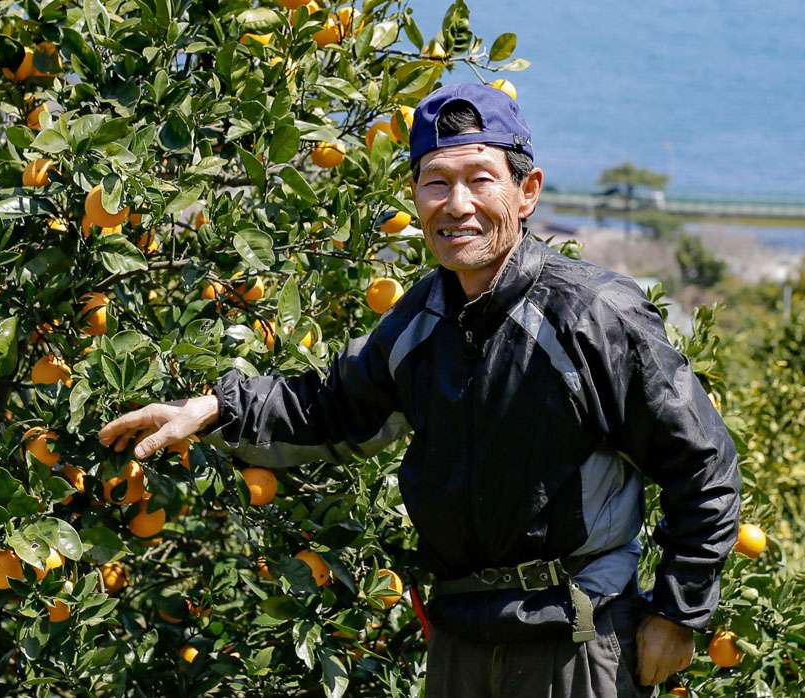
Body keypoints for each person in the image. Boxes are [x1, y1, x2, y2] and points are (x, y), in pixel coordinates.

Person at [98, 83, 740, 697]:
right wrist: (212, 407)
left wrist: (679, 613)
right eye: (437, 182)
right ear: (415, 198)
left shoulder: (592, 314)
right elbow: (334, 406)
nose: (457, 203)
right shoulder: (421, 319)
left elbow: (703, 462)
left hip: (576, 635)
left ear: (527, 192)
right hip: (462, 632)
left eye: (480, 179)